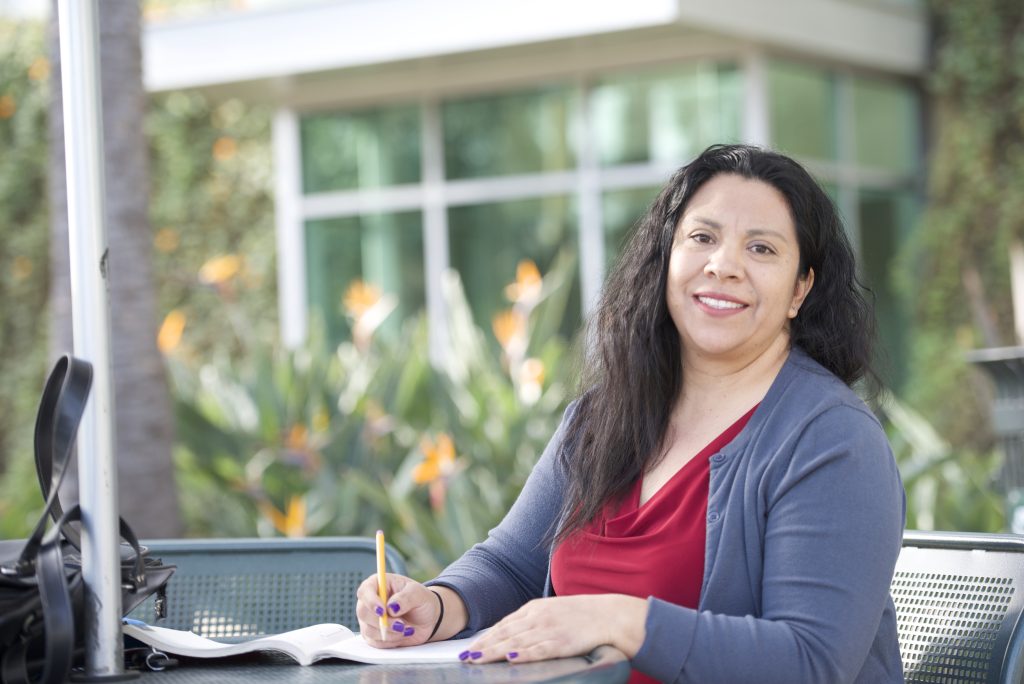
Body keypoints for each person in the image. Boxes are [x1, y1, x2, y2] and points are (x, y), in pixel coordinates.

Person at [355, 144, 906, 683]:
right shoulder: (599, 418)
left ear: (799, 290)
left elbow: (810, 661)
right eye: (702, 237)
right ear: (667, 258)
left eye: (761, 249)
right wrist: (437, 604)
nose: (724, 266)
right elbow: (511, 564)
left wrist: (616, 619)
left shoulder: (831, 440)